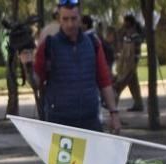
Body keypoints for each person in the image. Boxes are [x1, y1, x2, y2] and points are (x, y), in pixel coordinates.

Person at [32, 1, 121, 133]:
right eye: (65, 19)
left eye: (74, 19)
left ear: (80, 18)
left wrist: (114, 113)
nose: (70, 24)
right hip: (59, 123)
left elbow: (104, 82)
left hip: (90, 121)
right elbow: (36, 82)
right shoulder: (48, 45)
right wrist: (27, 66)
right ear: (59, 19)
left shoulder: (93, 43)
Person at [113, 14, 144, 112]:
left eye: (125, 22)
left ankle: (113, 107)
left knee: (119, 85)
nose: (124, 24)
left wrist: (133, 65)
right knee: (133, 85)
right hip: (125, 64)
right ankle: (138, 104)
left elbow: (135, 53)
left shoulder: (135, 36)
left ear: (129, 23)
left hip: (130, 65)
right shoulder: (127, 35)